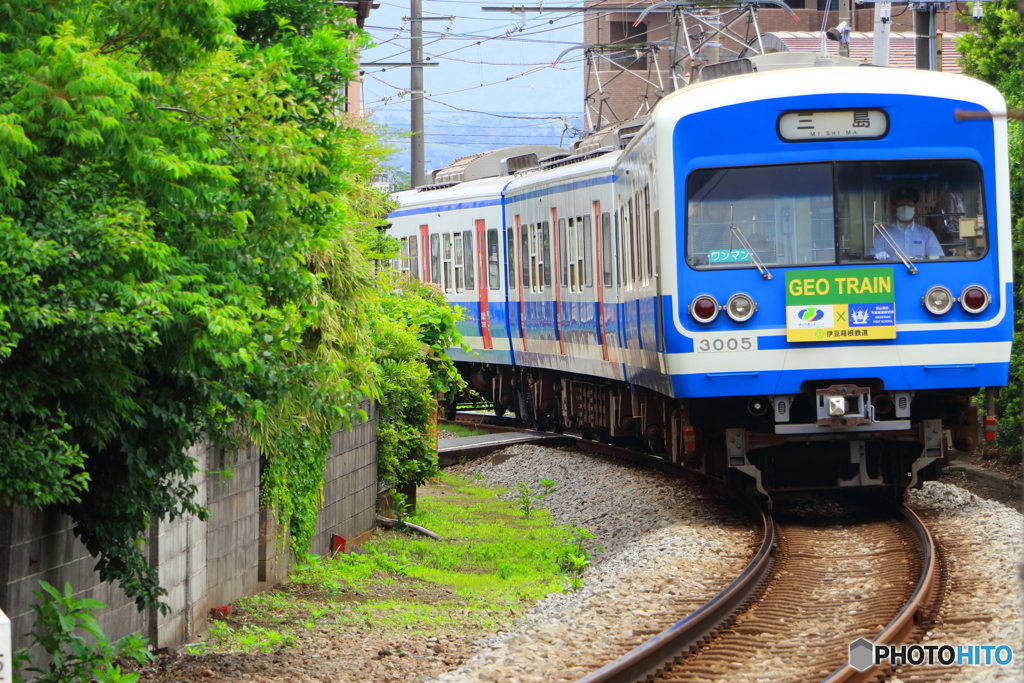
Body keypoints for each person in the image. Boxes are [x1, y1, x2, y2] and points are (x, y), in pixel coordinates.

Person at [869, 188, 943, 261]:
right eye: (901, 205)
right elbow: (873, 259)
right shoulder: (884, 233)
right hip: (893, 272)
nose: (905, 208)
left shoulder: (926, 233)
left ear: (914, 207)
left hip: (919, 272)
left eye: (909, 204)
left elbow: (936, 258)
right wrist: (877, 256)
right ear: (895, 208)